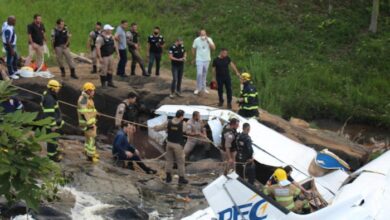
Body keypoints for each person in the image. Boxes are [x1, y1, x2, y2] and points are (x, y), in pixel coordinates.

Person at [153, 110, 188, 184]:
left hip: (169, 143)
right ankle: (181, 179)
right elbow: (185, 131)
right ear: (181, 116)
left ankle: (168, 178)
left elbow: (158, 128)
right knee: (180, 162)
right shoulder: (183, 123)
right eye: (183, 116)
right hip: (178, 145)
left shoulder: (168, 121)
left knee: (169, 161)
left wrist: (154, 128)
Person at [40, 80, 64, 162]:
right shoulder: (49, 99)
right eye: (57, 88)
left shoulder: (49, 95)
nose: (58, 90)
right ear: (53, 89)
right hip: (50, 124)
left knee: (55, 138)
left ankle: (55, 151)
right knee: (51, 140)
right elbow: (49, 114)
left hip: (53, 122)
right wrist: (53, 125)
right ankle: (52, 156)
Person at [77, 82, 99, 163]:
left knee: (87, 138)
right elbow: (83, 113)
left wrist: (96, 113)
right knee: (91, 139)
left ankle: (87, 152)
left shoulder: (88, 98)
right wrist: (89, 124)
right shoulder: (83, 99)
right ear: (88, 91)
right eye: (93, 90)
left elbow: (90, 109)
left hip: (89, 122)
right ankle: (90, 156)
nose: (94, 92)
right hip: (87, 123)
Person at [192, 29, 216, 95]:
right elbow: (193, 48)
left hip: (207, 59)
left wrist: (208, 42)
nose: (203, 36)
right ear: (200, 35)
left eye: (204, 34)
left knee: (204, 73)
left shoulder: (209, 39)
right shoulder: (196, 40)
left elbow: (214, 48)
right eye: (202, 34)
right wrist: (194, 57)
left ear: (206, 34)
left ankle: (204, 87)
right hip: (199, 59)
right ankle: (198, 88)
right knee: (199, 73)